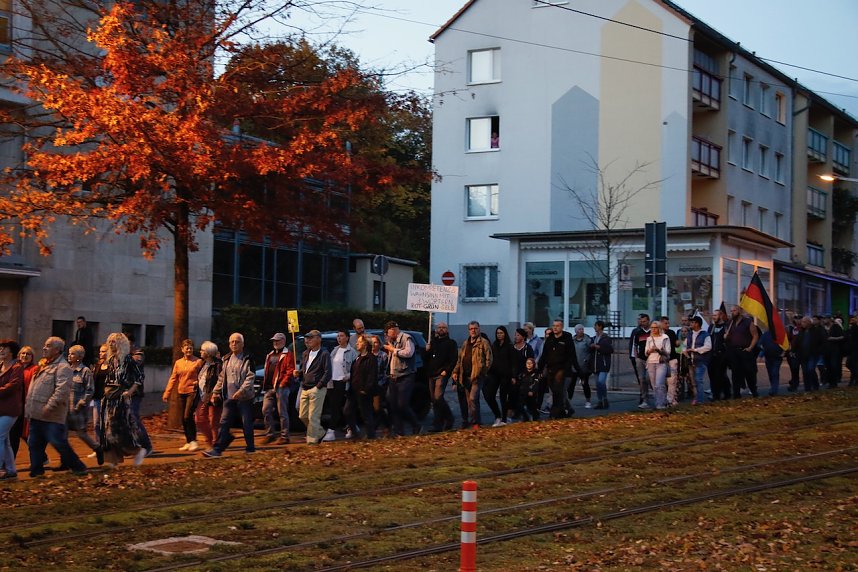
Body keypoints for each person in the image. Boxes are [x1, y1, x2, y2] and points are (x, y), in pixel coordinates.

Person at [26, 336, 88, 476]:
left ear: (58, 350)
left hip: (51, 416)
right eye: (45, 345)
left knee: (58, 443)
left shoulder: (63, 367)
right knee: (34, 444)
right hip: (36, 414)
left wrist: (49, 407)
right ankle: (37, 472)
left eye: (48, 346)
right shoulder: (44, 365)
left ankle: (78, 467)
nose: (44, 348)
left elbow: (61, 391)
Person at [204, 333, 255, 457]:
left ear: (242, 344)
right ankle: (217, 450)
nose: (234, 344)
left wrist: (241, 391)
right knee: (224, 422)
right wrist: (215, 392)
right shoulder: (226, 359)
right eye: (232, 342)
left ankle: (250, 448)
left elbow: (250, 377)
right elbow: (221, 378)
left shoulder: (248, 358)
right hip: (229, 397)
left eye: (237, 342)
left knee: (246, 423)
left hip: (244, 397)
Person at [100, 332, 146, 467]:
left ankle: (137, 450)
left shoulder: (127, 360)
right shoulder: (109, 360)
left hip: (120, 398)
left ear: (120, 343)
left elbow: (139, 377)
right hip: (108, 398)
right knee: (107, 429)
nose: (110, 344)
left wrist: (129, 392)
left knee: (118, 428)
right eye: (109, 341)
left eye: (113, 342)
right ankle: (113, 459)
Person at [162, 339, 203, 451]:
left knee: (187, 415)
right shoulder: (178, 363)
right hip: (182, 392)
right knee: (183, 418)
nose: (189, 350)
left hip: (192, 391)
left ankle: (194, 441)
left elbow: (203, 375)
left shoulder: (198, 362)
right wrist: (167, 392)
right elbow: (173, 378)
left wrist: (198, 382)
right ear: (182, 349)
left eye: (190, 348)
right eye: (187, 348)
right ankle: (188, 441)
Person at [452, 321, 493, 429]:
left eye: (475, 328)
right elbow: (460, 359)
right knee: (470, 401)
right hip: (465, 376)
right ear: (468, 330)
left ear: (479, 329)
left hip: (477, 376)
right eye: (471, 329)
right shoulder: (465, 343)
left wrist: (482, 372)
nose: (473, 330)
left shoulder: (483, 343)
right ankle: (475, 421)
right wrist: (455, 372)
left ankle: (475, 422)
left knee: (472, 398)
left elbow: (489, 359)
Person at [384, 321, 421, 436]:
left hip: (405, 376)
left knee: (402, 404)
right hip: (393, 377)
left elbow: (409, 353)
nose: (387, 335)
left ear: (393, 330)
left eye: (388, 332)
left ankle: (416, 425)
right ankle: (399, 431)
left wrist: (393, 350)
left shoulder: (406, 338)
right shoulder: (392, 342)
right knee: (393, 404)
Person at [67, 344, 101, 462]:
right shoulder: (67, 370)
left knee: (81, 434)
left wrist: (82, 402)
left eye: (72, 353)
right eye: (69, 353)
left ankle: (97, 448)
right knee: (62, 435)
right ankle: (66, 460)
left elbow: (90, 389)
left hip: (78, 408)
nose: (69, 356)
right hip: (65, 408)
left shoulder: (85, 371)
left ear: (79, 357)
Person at [298, 330, 332, 445]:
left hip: (317, 389)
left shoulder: (324, 354)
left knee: (313, 417)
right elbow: (304, 370)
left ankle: (312, 442)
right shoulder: (305, 353)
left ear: (319, 339)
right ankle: (320, 432)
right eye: (307, 338)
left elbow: (328, 372)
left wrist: (319, 386)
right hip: (305, 387)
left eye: (311, 338)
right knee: (303, 415)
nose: (308, 340)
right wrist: (298, 374)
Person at [261, 332, 295, 444]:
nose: (275, 342)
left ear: (283, 341)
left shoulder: (288, 355)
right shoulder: (270, 355)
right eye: (274, 341)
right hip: (270, 387)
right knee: (265, 410)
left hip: (281, 387)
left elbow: (290, 371)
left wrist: (283, 383)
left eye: (278, 340)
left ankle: (285, 436)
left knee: (282, 412)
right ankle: (270, 434)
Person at [538, 319, 576, 418]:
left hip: (562, 370)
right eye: (554, 325)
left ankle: (555, 413)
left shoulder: (566, 339)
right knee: (556, 391)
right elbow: (544, 356)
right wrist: (539, 369)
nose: (555, 327)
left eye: (557, 326)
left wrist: (574, 370)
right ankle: (565, 410)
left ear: (562, 327)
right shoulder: (550, 340)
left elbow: (571, 356)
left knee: (558, 391)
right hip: (551, 369)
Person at [325, 330, 357, 441]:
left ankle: (331, 431)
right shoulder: (334, 350)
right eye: (338, 336)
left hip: (343, 382)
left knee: (337, 407)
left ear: (347, 338)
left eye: (342, 336)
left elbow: (356, 369)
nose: (339, 338)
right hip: (332, 382)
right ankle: (351, 427)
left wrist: (349, 375)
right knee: (337, 407)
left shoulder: (352, 352)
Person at [425, 321, 458, 432]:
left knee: (438, 397)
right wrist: (426, 350)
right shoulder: (433, 342)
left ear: (447, 330)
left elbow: (453, 359)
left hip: (441, 374)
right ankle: (448, 418)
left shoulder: (451, 343)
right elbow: (427, 358)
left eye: (444, 327)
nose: (441, 329)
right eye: (439, 327)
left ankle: (437, 424)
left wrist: (447, 370)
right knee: (434, 400)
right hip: (431, 374)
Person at [724, 305, 760, 398]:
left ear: (739, 311)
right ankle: (736, 394)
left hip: (745, 351)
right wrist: (726, 337)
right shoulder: (730, 323)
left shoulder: (748, 322)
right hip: (734, 352)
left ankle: (754, 392)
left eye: (734, 310)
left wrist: (750, 348)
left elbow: (755, 336)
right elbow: (727, 337)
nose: (732, 312)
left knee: (749, 373)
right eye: (731, 310)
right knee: (735, 374)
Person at [0, 340, 23, 480]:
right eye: (0, 348)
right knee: (5, 440)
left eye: (4, 348)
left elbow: (13, 386)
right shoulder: (0, 365)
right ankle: (11, 470)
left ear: (12, 351)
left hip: (10, 409)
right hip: (1, 408)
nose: (1, 351)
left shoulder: (17, 367)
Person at [486, 326, 516, 427]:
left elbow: (513, 362)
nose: (499, 335)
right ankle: (497, 415)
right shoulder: (494, 345)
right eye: (498, 333)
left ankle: (504, 419)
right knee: (490, 395)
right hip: (494, 373)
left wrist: (513, 376)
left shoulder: (509, 346)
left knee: (503, 397)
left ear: (505, 334)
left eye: (501, 333)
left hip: (506, 374)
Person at [349, 334, 378, 439]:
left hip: (363, 391)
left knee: (366, 414)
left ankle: (371, 435)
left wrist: (366, 389)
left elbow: (372, 375)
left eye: (359, 342)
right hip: (354, 390)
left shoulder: (371, 358)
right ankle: (355, 431)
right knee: (347, 411)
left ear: (365, 344)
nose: (357, 344)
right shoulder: (358, 357)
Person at [194, 341, 222, 447]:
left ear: (208, 352)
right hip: (203, 396)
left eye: (202, 350)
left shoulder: (217, 365)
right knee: (199, 419)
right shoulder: (204, 364)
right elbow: (203, 377)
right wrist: (198, 383)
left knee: (214, 421)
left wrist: (214, 393)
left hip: (213, 397)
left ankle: (215, 444)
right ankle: (211, 440)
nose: (200, 352)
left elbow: (220, 380)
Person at [8, 345, 35, 458]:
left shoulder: (35, 369)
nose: (24, 355)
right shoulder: (14, 368)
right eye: (23, 353)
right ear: (19, 355)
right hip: (14, 406)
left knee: (21, 434)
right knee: (16, 434)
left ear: (32, 357)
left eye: (28, 354)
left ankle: (9, 464)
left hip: (26, 406)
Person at [683, 316, 711, 405]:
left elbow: (708, 347)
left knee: (699, 379)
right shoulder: (690, 334)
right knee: (693, 381)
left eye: (692, 322)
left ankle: (700, 399)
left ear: (697, 323)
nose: (690, 324)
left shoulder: (705, 334)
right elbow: (684, 346)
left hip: (700, 360)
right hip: (691, 361)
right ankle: (696, 398)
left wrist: (695, 350)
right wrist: (686, 353)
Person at [644, 321, 671, 410]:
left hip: (661, 362)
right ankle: (658, 402)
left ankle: (661, 404)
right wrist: (650, 351)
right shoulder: (649, 339)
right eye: (652, 327)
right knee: (653, 384)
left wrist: (659, 350)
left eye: (655, 327)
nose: (653, 329)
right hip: (651, 362)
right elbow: (646, 352)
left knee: (659, 383)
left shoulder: (665, 337)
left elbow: (668, 352)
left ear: (659, 328)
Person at [628, 314, 651, 409]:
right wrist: (635, 357)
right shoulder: (637, 332)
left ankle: (660, 397)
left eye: (644, 321)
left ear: (648, 321)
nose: (642, 323)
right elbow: (634, 345)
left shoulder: (652, 331)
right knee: (641, 380)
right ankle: (644, 399)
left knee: (650, 379)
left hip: (651, 359)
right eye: (641, 322)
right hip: (640, 359)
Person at [511, 328, 534, 419]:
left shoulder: (527, 348)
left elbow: (530, 361)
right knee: (514, 395)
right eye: (515, 335)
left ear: (523, 337)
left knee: (523, 396)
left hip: (525, 375)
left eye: (518, 335)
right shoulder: (512, 347)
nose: (516, 337)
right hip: (514, 375)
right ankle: (518, 412)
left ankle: (527, 414)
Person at [589, 320, 613, 409]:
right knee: (597, 384)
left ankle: (604, 399)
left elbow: (609, 349)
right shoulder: (594, 338)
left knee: (601, 382)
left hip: (603, 363)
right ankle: (600, 400)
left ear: (599, 326)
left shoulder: (606, 338)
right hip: (595, 364)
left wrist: (598, 347)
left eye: (595, 326)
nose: (594, 327)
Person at [708, 307, 730, 400]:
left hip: (722, 354)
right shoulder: (711, 327)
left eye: (715, 315)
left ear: (720, 316)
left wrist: (727, 338)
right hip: (712, 355)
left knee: (720, 375)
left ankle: (726, 393)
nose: (714, 317)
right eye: (713, 315)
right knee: (712, 375)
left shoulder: (726, 326)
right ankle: (715, 394)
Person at [569, 324, 593, 408]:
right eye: (579, 329)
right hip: (574, 366)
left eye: (582, 329)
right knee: (571, 385)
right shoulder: (572, 340)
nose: (581, 331)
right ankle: (568, 402)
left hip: (583, 366)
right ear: (575, 331)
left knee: (585, 384)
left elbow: (591, 351)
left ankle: (588, 401)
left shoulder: (587, 339)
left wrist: (588, 361)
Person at [370, 335, 390, 432]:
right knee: (373, 408)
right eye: (372, 342)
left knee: (377, 407)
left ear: (379, 343)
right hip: (369, 385)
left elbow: (386, 372)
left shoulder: (383, 356)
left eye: (376, 342)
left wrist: (380, 383)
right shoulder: (368, 355)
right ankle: (387, 424)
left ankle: (375, 429)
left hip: (379, 384)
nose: (373, 344)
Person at [660, 316, 679, 406]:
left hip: (672, 359)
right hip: (661, 361)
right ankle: (663, 398)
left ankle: (670, 399)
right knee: (661, 381)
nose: (668, 325)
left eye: (668, 323)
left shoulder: (671, 332)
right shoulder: (658, 333)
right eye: (665, 323)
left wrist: (679, 342)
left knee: (672, 380)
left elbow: (676, 344)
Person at [759, 330, 784, 396]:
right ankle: (773, 387)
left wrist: (784, 352)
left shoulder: (780, 333)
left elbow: (785, 344)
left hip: (777, 357)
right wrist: (761, 354)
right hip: (768, 357)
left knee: (774, 373)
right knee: (771, 373)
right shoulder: (765, 334)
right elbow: (760, 344)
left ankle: (774, 390)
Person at [822, 315, 844, 388]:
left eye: (825, 319)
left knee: (833, 365)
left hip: (834, 350)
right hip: (826, 350)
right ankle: (830, 382)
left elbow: (842, 337)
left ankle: (834, 382)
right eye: (823, 319)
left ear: (829, 319)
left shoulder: (836, 327)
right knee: (827, 367)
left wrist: (833, 338)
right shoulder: (823, 328)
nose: (824, 320)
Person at [517, 357, 541, 421]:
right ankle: (525, 417)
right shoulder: (522, 373)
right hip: (523, 392)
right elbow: (519, 382)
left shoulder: (536, 373)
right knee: (519, 404)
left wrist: (532, 391)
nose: (529, 364)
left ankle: (535, 417)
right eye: (527, 363)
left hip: (531, 393)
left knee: (532, 406)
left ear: (534, 364)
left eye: (531, 363)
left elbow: (536, 384)